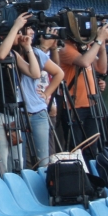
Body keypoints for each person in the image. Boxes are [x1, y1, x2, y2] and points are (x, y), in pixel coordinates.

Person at [0, 13, 41, 175]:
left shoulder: (13, 54)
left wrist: (28, 49)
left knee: (16, 161)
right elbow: (0, 55)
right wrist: (15, 27)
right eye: (18, 33)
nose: (20, 36)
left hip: (13, 115)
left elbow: (34, 73)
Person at [57, 21, 108, 158]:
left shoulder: (86, 48)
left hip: (91, 105)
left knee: (92, 148)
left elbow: (102, 69)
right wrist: (98, 41)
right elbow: (84, 62)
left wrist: (102, 47)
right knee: (77, 149)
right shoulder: (65, 48)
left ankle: (92, 176)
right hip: (73, 107)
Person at [25, 29, 64, 167]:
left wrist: (47, 94)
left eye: (31, 33)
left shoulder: (40, 53)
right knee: (29, 157)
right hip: (27, 107)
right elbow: (35, 73)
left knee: (47, 156)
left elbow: (57, 72)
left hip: (41, 106)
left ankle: (50, 180)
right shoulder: (27, 52)